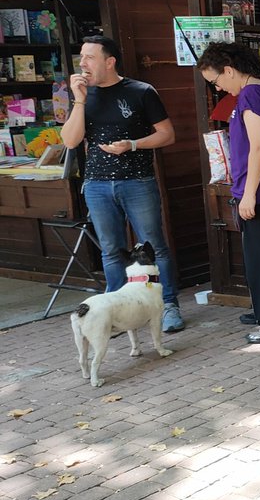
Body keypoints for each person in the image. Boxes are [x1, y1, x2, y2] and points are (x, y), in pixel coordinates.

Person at [61, 36, 185, 333]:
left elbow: (167, 135)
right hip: (97, 184)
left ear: (109, 61)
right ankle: (115, 312)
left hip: (137, 180)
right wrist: (78, 100)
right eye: (81, 58)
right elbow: (70, 140)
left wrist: (133, 144)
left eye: (89, 57)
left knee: (154, 245)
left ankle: (168, 306)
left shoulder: (141, 91)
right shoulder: (83, 96)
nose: (83, 64)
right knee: (110, 249)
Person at [196, 41, 260, 343]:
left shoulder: (252, 94)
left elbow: (259, 147)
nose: (217, 88)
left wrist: (250, 194)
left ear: (229, 70)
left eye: (215, 81)